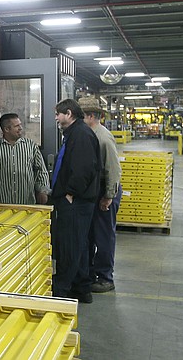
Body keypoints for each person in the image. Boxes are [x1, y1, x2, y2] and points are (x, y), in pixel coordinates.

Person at [51, 98, 101, 303]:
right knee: (79, 245)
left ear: (69, 114)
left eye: (58, 114)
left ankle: (61, 289)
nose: (55, 117)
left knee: (70, 246)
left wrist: (71, 193)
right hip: (76, 200)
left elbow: (84, 169)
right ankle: (81, 288)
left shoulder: (80, 135)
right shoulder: (74, 133)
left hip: (76, 201)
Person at [78, 96, 123, 293]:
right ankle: (91, 273)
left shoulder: (102, 137)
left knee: (104, 236)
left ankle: (106, 278)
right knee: (91, 235)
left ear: (90, 116)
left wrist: (108, 196)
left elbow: (113, 169)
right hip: (96, 191)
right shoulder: (89, 134)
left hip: (105, 191)